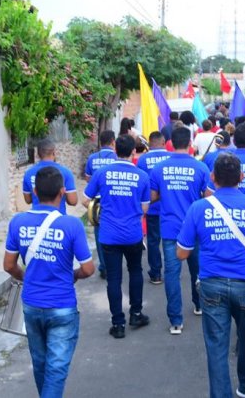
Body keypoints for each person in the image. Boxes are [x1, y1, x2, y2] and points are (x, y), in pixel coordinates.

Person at [177, 152, 245, 398]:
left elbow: (182, 253)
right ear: (241, 178)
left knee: (216, 346)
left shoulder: (198, 208)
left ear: (212, 178)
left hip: (212, 285)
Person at [4, 166, 95, 397]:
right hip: (62, 305)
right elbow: (88, 268)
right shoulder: (72, 225)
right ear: (62, 192)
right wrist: (73, 275)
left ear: (34, 191)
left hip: (31, 305)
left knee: (41, 363)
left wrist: (27, 277)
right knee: (56, 369)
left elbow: (8, 265)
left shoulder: (18, 222)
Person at [83, 135, 152, 339]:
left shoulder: (102, 173)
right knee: (136, 271)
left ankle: (118, 323)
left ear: (115, 152)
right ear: (133, 152)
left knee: (113, 278)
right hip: (132, 234)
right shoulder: (142, 176)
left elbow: (85, 199)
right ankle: (136, 314)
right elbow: (145, 208)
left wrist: (100, 211)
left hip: (109, 234)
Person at [150, 127, 210, 334]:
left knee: (172, 275)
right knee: (198, 271)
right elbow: (210, 198)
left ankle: (176, 320)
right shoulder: (201, 168)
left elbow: (152, 197)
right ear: (190, 143)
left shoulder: (158, 169)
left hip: (170, 230)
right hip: (195, 229)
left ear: (171, 143)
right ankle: (199, 304)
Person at [136, 131, 173, 284]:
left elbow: (140, 183)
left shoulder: (143, 159)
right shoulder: (171, 157)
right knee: (170, 240)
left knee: (153, 241)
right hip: (169, 206)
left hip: (151, 207)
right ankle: (171, 271)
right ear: (163, 142)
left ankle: (156, 273)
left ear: (150, 143)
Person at [84, 130, 118, 279]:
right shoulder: (116, 158)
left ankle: (104, 266)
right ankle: (113, 265)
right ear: (112, 141)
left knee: (99, 234)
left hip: (96, 202)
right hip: (114, 200)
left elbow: (88, 179)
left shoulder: (92, 158)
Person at [22, 139, 78, 215]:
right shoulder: (65, 172)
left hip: (36, 219)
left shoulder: (28, 173)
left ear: (38, 154)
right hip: (58, 218)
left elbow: (28, 200)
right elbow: (73, 201)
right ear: (54, 152)